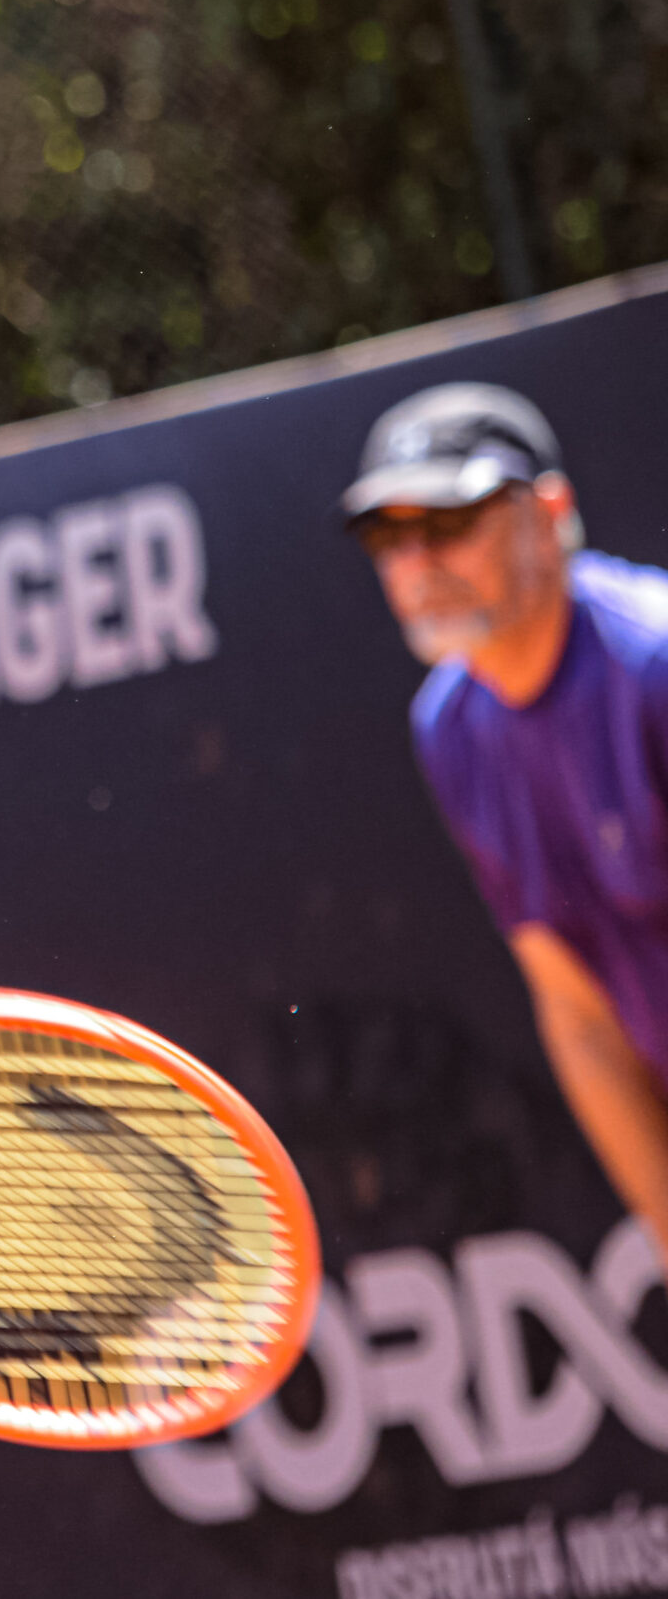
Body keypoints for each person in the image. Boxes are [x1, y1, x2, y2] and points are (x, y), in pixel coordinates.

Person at [346, 381, 668, 1261]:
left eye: (449, 522)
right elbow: (577, 1011)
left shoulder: (655, 665)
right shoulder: (449, 728)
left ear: (550, 513)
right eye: (387, 537)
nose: (417, 562)